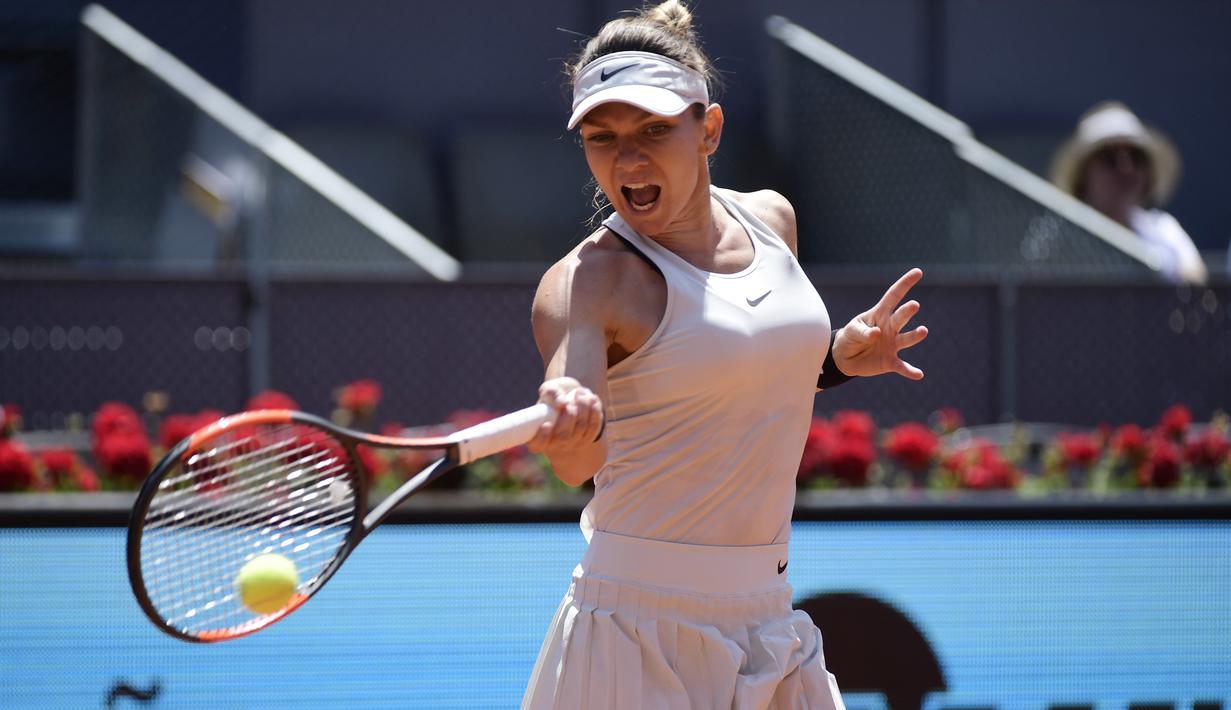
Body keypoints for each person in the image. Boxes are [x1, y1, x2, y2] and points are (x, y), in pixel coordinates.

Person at [521, 2, 927, 707]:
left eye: (653, 129)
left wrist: (831, 361)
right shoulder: (586, 282)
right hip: (635, 632)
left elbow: (722, 376)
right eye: (602, 136)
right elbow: (575, 463)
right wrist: (571, 418)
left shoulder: (771, 219)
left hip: (767, 613)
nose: (627, 157)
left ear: (707, 129)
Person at [1050, 101, 1207, 285]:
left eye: (1136, 157)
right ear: (1083, 175)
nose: (1126, 169)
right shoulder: (1057, 238)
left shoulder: (1164, 230)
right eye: (1109, 158)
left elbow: (1197, 284)